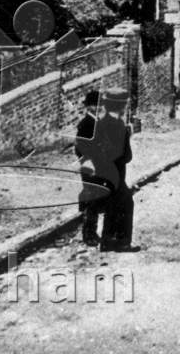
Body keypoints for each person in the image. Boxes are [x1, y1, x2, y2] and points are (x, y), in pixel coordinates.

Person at [94, 88, 136, 251]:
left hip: (103, 174)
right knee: (126, 203)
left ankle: (107, 241)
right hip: (116, 175)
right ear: (120, 107)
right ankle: (121, 242)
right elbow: (127, 157)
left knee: (113, 206)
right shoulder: (120, 125)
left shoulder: (100, 124)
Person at [74, 90, 103, 246]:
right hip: (90, 169)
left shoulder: (97, 122)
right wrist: (87, 162)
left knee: (96, 200)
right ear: (89, 108)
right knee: (91, 202)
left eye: (97, 105)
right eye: (93, 105)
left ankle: (93, 232)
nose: (95, 108)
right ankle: (88, 234)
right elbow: (79, 147)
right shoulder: (86, 124)